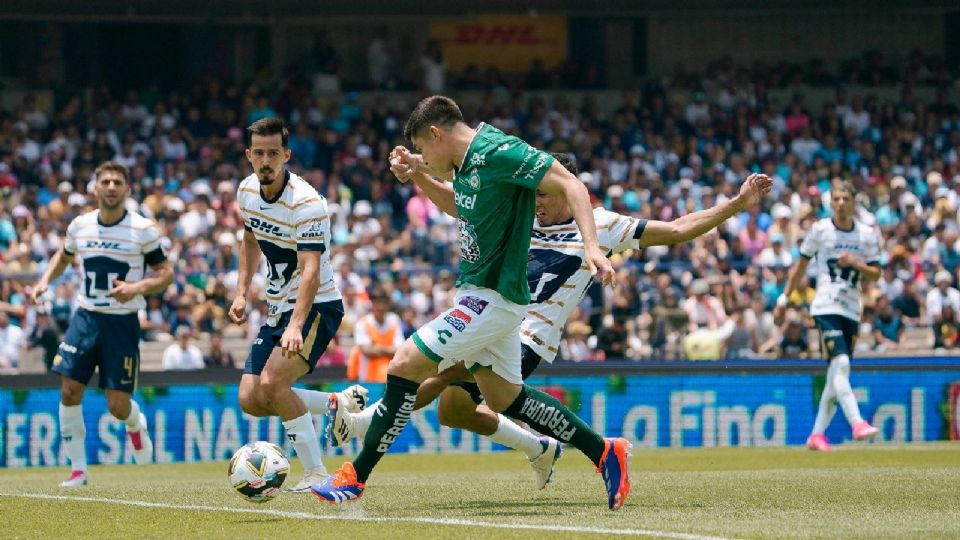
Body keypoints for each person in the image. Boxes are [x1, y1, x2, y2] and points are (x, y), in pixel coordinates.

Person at [319, 131, 771, 508]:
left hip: (529, 335)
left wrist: (736, 203)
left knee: (428, 368)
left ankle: (358, 443)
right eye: (532, 192)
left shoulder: (599, 224)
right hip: (495, 317)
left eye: (543, 193)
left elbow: (673, 231)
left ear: (564, 187)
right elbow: (461, 205)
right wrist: (419, 171)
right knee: (461, 408)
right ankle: (577, 449)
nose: (536, 201)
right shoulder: (521, 212)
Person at [310, 95, 627, 510]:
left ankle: (355, 477)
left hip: (493, 298)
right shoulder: (468, 167)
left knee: (405, 365)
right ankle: (605, 452)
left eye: (423, 149)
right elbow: (457, 206)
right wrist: (418, 174)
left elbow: (571, 183)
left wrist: (592, 247)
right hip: (484, 295)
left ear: (437, 134)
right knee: (504, 398)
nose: (425, 156)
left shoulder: (499, 151)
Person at [228, 117, 368, 493]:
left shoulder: (307, 203)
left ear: (287, 155)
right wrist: (242, 292)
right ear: (248, 155)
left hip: (317, 305)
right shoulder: (245, 192)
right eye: (258, 153)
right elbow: (250, 241)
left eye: (274, 153)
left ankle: (317, 475)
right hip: (278, 307)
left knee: (274, 383)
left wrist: (295, 324)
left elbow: (309, 272)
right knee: (251, 398)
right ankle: (335, 404)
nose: (266, 160)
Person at [30, 161, 174, 487]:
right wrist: (44, 282)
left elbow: (166, 274)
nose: (110, 187)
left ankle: (135, 424)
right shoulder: (80, 225)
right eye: (105, 181)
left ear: (127, 189)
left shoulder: (142, 230)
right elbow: (64, 257)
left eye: (117, 182)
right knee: (69, 389)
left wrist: (135, 288)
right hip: (86, 316)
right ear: (95, 188)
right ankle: (78, 470)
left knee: (117, 406)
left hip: (121, 324)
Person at [775, 180, 881, 452]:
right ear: (831, 203)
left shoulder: (867, 235)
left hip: (851, 310)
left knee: (836, 373)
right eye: (837, 199)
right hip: (825, 307)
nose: (842, 203)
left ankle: (816, 435)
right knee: (842, 364)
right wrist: (784, 298)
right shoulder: (820, 230)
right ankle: (857, 422)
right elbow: (801, 265)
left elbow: (876, 273)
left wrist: (855, 264)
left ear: (854, 202)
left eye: (847, 198)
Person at [347, 290, 404, 383]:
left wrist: (377, 347)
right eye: (377, 303)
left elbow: (400, 351)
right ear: (372, 304)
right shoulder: (362, 323)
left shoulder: (394, 320)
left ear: (388, 305)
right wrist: (389, 350)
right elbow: (366, 351)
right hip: (368, 380)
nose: (380, 307)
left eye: (383, 303)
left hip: (391, 379)